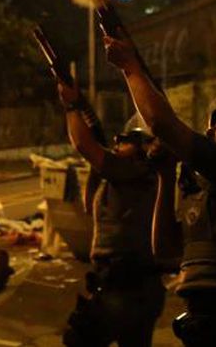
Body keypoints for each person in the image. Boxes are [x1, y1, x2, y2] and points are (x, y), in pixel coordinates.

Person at [103, 35, 216, 347]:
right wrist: (164, 176)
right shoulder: (205, 187)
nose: (212, 129)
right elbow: (166, 251)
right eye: (211, 125)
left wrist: (131, 67)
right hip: (203, 320)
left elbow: (162, 123)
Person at [57, 81, 170, 347]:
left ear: (142, 151)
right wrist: (83, 106)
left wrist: (71, 105)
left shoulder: (131, 171)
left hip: (122, 286)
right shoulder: (139, 175)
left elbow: (84, 144)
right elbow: (95, 149)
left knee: (78, 341)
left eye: (126, 140)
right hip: (142, 286)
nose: (118, 141)